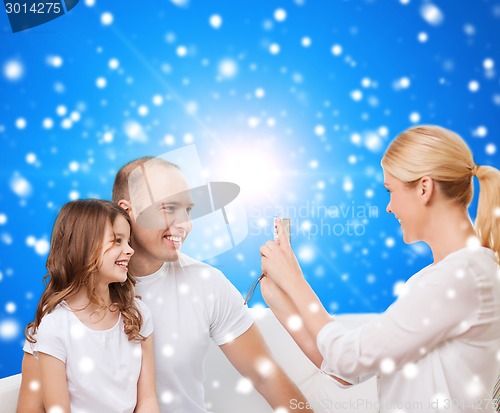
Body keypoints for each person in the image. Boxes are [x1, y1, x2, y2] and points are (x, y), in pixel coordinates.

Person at [260, 125, 500, 412]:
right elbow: (346, 370)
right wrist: (281, 301)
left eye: (391, 190)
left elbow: (348, 357)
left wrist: (294, 280)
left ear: (424, 188)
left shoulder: (463, 276)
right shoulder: (434, 278)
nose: (389, 207)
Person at [110, 156, 311, 413]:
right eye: (169, 208)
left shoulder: (206, 284)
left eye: (188, 210)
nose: (186, 225)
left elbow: (267, 377)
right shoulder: (86, 288)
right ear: (128, 210)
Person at [17, 199, 159, 413]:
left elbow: (148, 400)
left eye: (128, 241)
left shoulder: (138, 314)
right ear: (83, 248)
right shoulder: (55, 327)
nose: (130, 250)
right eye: (117, 241)